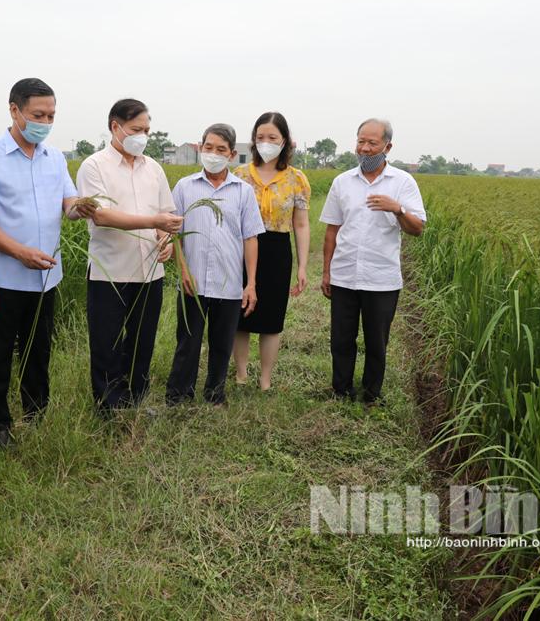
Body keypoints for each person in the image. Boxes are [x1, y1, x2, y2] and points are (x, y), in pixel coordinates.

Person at [0, 78, 95, 447]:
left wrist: (81, 208)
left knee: (38, 351)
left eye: (51, 115)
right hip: (5, 277)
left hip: (46, 278)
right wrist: (18, 252)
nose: (45, 121)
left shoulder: (54, 158)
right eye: (38, 114)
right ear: (14, 110)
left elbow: (69, 205)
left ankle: (36, 413)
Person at [75, 99, 183, 414]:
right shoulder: (94, 166)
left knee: (142, 340)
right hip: (110, 271)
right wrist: (154, 223)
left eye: (147, 130)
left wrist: (167, 240)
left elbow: (168, 215)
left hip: (149, 271)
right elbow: (102, 216)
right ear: (115, 127)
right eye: (137, 129)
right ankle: (108, 406)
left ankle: (134, 400)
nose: (143, 136)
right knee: (107, 342)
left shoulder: (154, 168)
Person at [319, 118, 426, 404]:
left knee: (377, 342)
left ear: (387, 147)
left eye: (372, 143)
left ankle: (370, 394)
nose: (364, 149)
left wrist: (397, 208)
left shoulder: (402, 182)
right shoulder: (342, 182)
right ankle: (341, 390)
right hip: (344, 274)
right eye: (360, 142)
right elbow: (332, 230)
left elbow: (417, 228)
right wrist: (326, 272)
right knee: (341, 339)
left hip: (382, 278)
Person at [165, 123, 265, 406]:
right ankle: (178, 395)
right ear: (201, 148)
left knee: (222, 344)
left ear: (232, 154)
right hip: (192, 282)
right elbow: (175, 234)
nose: (213, 154)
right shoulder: (185, 187)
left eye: (220, 149)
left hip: (229, 282)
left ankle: (215, 394)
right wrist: (183, 270)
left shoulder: (243, 192)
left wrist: (251, 283)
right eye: (208, 147)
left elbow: (250, 238)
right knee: (188, 341)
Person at [232, 112, 312, 390]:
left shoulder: (296, 179)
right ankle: (241, 375)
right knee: (240, 315)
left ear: (285, 141)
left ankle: (265, 380)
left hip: (278, 250)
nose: (266, 142)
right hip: (243, 247)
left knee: (272, 319)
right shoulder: (240, 175)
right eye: (260, 137)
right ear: (253, 141)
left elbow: (301, 225)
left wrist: (302, 266)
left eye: (272, 137)